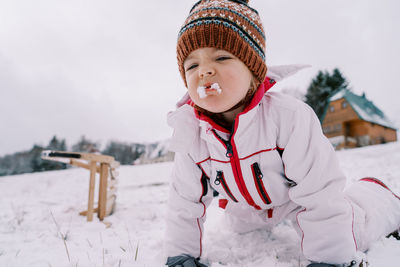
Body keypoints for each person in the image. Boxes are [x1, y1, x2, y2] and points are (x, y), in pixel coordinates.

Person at [164, 0, 400, 266]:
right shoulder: (191, 134)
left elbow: (319, 191)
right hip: (244, 208)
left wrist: (329, 258)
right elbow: (184, 201)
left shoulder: (289, 118)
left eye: (221, 57)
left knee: (351, 231)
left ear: (253, 71)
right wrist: (180, 254)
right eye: (191, 66)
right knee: (240, 231)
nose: (204, 71)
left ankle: (377, 196)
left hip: (293, 200)